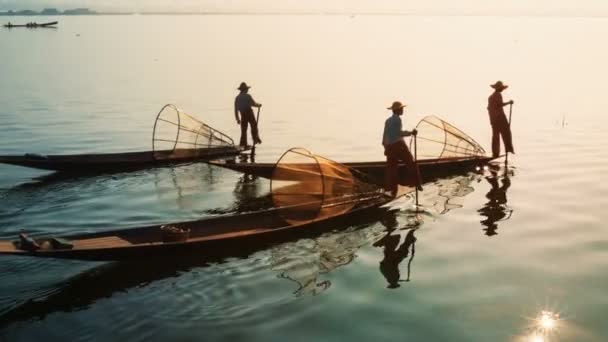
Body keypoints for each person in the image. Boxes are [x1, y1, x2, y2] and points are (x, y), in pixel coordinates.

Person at [382, 101, 423, 197]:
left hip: (389, 146)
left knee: (392, 168)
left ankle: (391, 189)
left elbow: (385, 135)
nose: (402, 110)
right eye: (401, 109)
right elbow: (398, 133)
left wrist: (385, 146)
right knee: (411, 162)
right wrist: (411, 133)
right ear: (397, 110)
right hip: (398, 144)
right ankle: (417, 183)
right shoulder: (397, 120)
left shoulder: (388, 120)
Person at [487, 81, 515, 158]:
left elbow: (489, 108)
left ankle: (496, 152)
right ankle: (507, 149)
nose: (502, 89)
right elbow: (499, 105)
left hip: (494, 119)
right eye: (501, 88)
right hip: (499, 118)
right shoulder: (496, 95)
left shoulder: (492, 96)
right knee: (506, 133)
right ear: (499, 89)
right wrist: (509, 103)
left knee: (496, 135)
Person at [234, 82, 262, 147]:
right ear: (245, 89)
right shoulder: (247, 96)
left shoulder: (237, 98)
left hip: (243, 114)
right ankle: (255, 139)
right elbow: (253, 104)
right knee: (254, 125)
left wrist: (237, 119)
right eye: (247, 89)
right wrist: (258, 105)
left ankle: (243, 143)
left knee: (243, 130)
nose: (247, 90)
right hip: (249, 113)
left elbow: (236, 110)